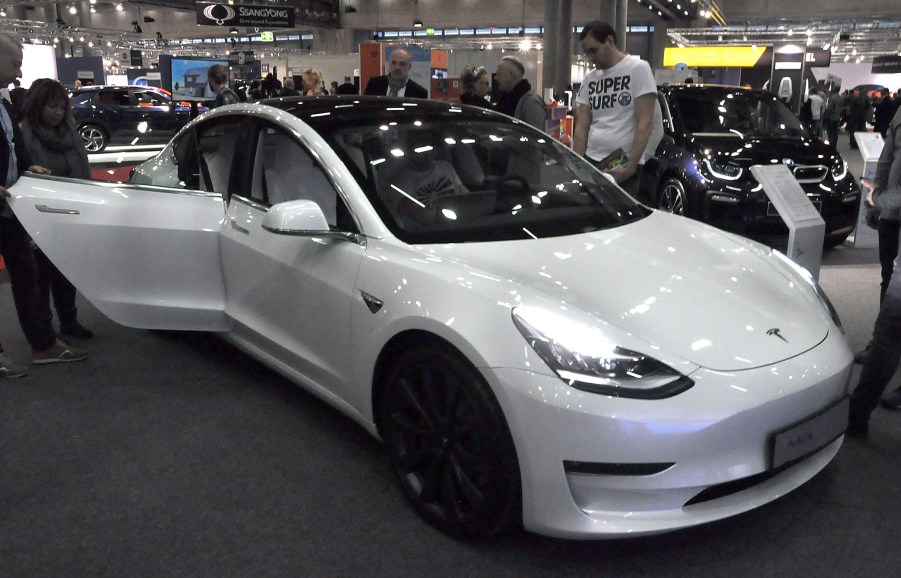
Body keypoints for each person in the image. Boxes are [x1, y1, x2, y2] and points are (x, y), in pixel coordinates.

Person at [0, 34, 88, 378]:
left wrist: (26, 169)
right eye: (14, 62)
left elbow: (11, 149)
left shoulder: (5, 104)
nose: (19, 71)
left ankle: (44, 345)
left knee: (27, 279)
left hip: (9, 210)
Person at [19, 79, 94, 339]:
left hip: (70, 211)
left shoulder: (70, 133)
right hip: (38, 215)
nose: (57, 112)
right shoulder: (23, 134)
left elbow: (83, 170)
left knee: (67, 271)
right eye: (52, 106)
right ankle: (44, 326)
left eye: (62, 107)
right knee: (40, 275)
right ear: (38, 105)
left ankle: (68, 319)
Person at [848, 104, 901, 435]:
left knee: (892, 325)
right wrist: (879, 203)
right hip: (893, 217)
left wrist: (879, 197)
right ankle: (858, 414)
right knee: (890, 320)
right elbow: (887, 158)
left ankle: (858, 414)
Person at [573, 20, 664, 195]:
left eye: (594, 50)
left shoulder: (638, 68)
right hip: (591, 161)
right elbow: (582, 126)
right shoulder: (590, 78)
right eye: (586, 53)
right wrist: (578, 166)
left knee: (622, 220)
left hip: (623, 164)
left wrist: (631, 168)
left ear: (610, 41)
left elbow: (646, 122)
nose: (590, 58)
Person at [493, 56, 547, 130]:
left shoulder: (531, 103)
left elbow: (534, 136)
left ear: (511, 75)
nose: (495, 78)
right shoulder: (506, 100)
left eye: (499, 74)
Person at [364, 48, 428, 99]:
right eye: (394, 63)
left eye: (402, 64)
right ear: (389, 64)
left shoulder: (419, 93)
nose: (397, 67)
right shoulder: (374, 84)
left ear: (409, 67)